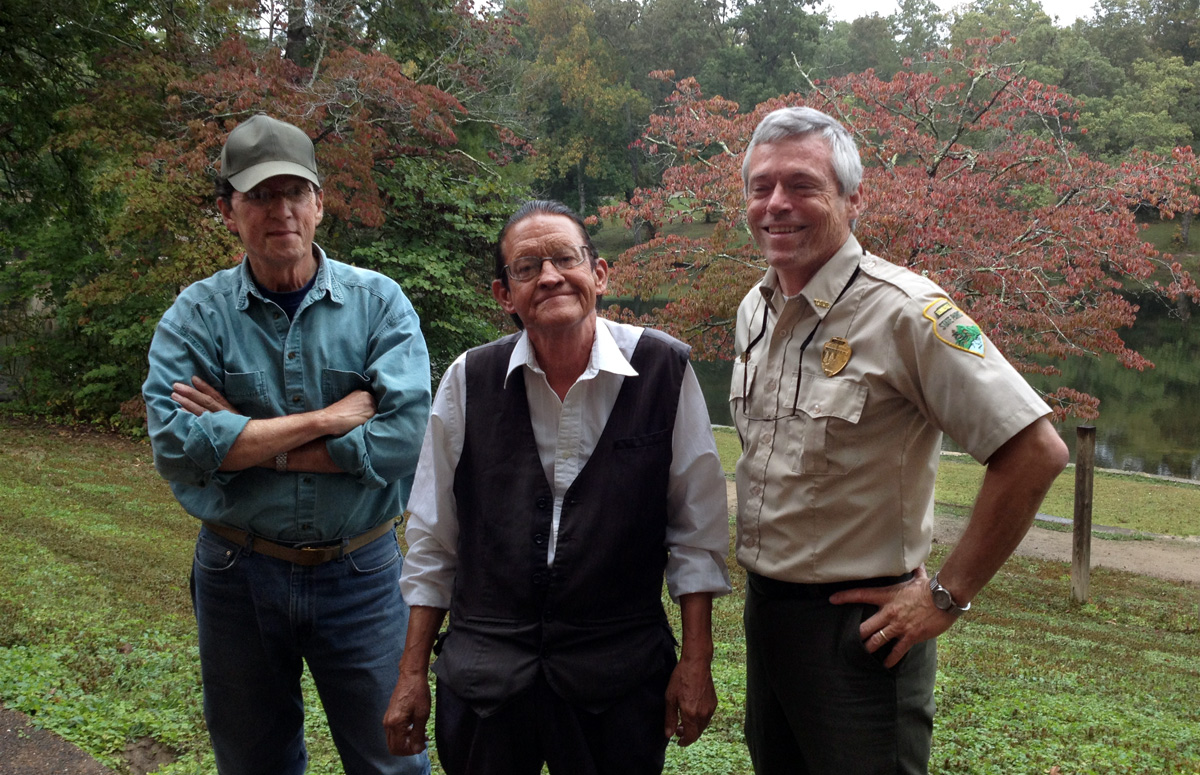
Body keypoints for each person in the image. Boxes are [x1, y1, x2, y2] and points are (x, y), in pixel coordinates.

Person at [730, 106, 1070, 774]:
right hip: (767, 615)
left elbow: (1036, 450)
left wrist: (947, 593)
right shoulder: (756, 306)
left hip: (863, 630)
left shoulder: (906, 310)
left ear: (853, 198)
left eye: (802, 184)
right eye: (760, 186)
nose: (776, 204)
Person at [382, 200, 732, 774]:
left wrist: (697, 661)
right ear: (504, 294)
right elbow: (432, 541)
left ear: (598, 273)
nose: (549, 276)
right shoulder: (468, 380)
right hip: (486, 674)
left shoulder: (664, 370)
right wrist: (411, 673)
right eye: (526, 267)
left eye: (565, 258)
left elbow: (696, 534)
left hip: (617, 674)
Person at [142, 113, 432, 775]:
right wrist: (331, 417)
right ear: (228, 210)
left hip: (361, 572)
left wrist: (239, 438)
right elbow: (177, 445)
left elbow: (402, 440)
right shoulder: (195, 316)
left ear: (320, 203)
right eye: (259, 195)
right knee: (252, 762)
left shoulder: (380, 304)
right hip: (236, 573)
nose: (281, 210)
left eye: (294, 192)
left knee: (392, 761)